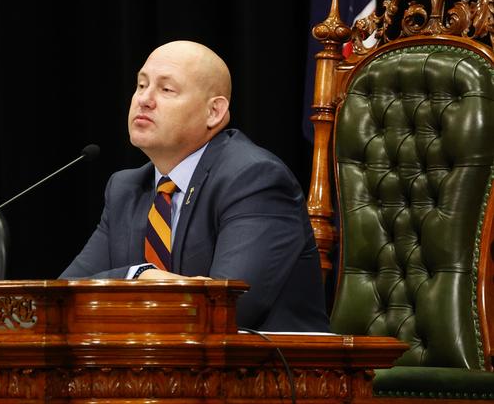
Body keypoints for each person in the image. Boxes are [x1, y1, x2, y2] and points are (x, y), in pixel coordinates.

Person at [60, 40, 329, 332]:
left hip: (277, 371)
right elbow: (62, 298)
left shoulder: (254, 179)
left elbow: (225, 309)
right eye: (141, 85)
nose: (144, 99)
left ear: (214, 112)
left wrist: (122, 283)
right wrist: (138, 276)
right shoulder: (126, 188)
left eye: (166, 90)